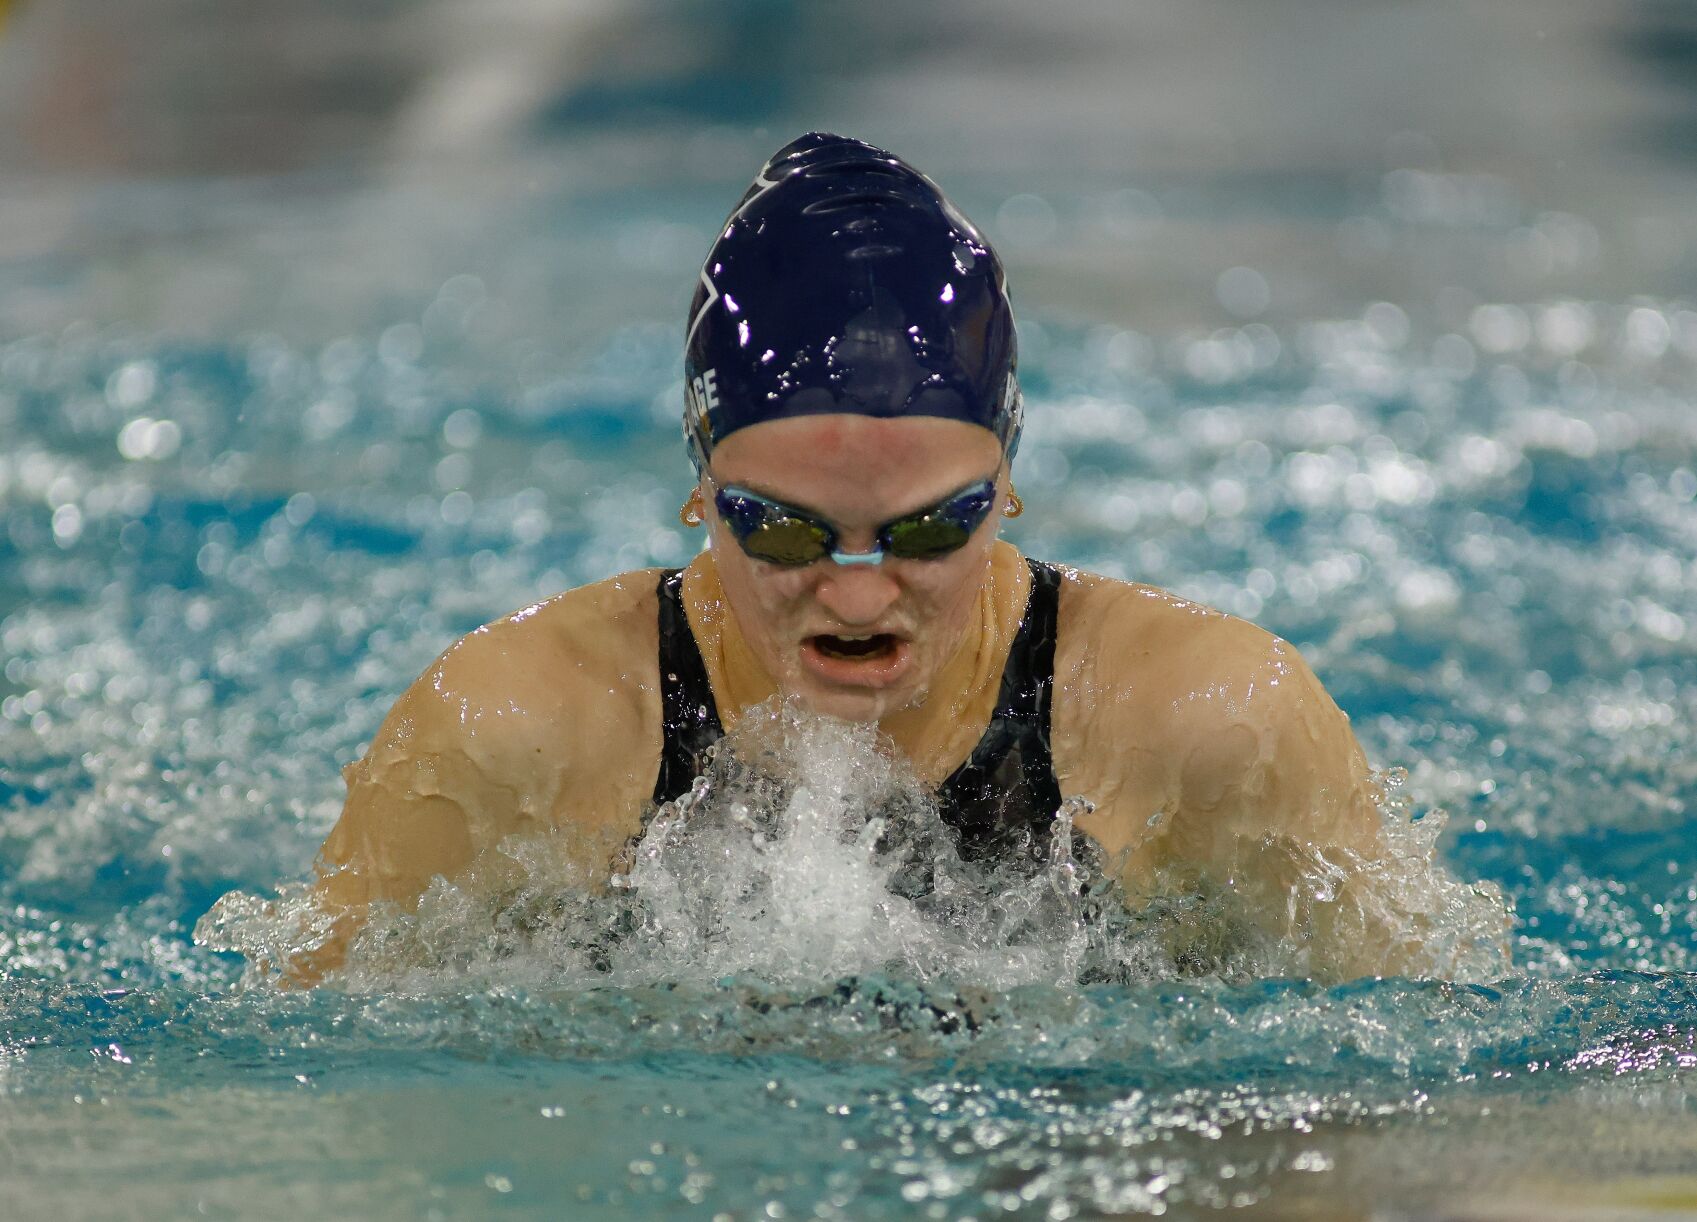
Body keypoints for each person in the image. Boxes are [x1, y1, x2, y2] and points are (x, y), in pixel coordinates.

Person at [296, 133, 1405, 983]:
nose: (862, 591)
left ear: (1007, 481)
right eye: (782, 530)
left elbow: (1419, 1084)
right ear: (699, 486)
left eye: (929, 529)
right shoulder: (514, 737)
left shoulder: (1206, 726)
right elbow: (309, 1094)